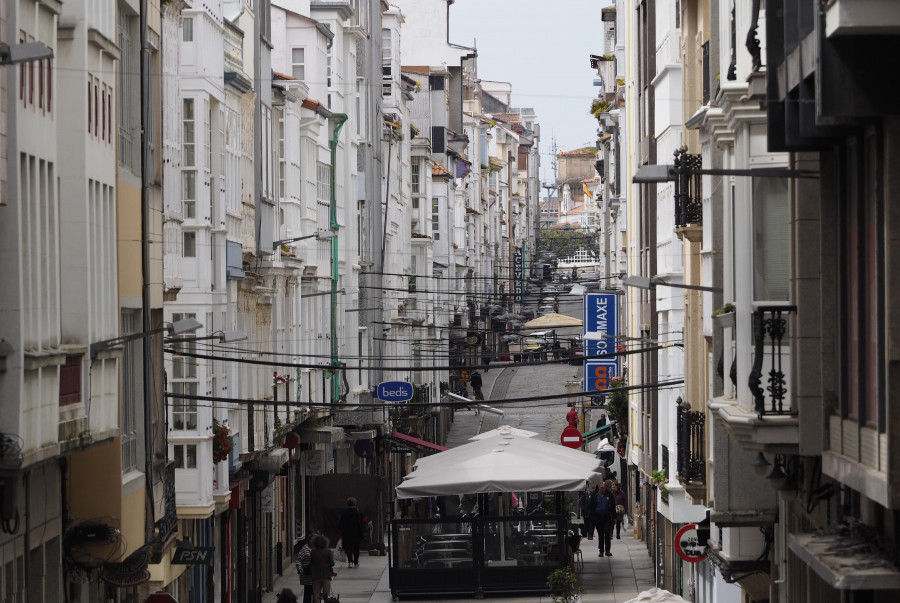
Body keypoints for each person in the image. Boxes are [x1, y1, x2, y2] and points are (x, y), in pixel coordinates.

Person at [338, 497, 368, 568]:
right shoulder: (358, 511)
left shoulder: (345, 512)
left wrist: (340, 533)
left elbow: (341, 523)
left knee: (348, 548)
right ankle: (356, 562)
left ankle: (350, 561)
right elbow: (365, 519)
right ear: (355, 503)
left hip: (347, 533)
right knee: (356, 548)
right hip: (357, 533)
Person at [309, 534, 335, 603]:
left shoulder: (313, 552)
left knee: (316, 594)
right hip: (326, 576)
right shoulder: (328, 551)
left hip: (315, 576)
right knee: (327, 594)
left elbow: (311, 563)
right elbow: (332, 563)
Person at [592, 482, 616, 557]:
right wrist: (593, 518)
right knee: (601, 534)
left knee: (607, 533)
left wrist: (614, 517)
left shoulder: (609, 495)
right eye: (601, 487)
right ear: (599, 487)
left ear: (606, 488)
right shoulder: (595, 496)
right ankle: (601, 550)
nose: (602, 489)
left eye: (604, 487)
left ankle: (607, 550)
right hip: (598, 517)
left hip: (607, 517)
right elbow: (591, 507)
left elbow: (613, 507)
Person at [295, 533, 316, 603]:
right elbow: (298, 560)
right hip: (307, 576)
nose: (313, 541)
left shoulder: (319, 549)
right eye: (312, 540)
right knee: (307, 594)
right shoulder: (304, 549)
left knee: (316, 595)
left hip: (317, 576)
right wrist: (300, 568)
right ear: (309, 540)